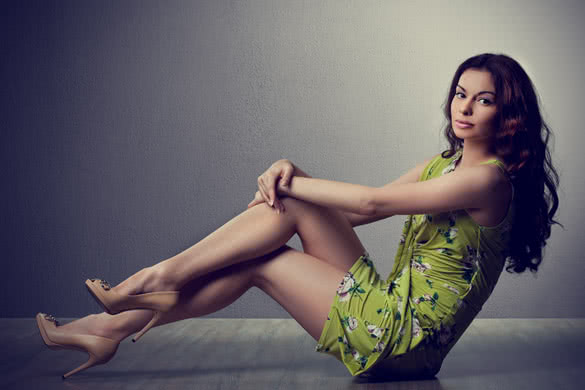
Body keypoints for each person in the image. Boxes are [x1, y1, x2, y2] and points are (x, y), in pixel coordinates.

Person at [36, 52, 561, 380]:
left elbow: (369, 204)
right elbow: (355, 215)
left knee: (267, 253)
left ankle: (145, 287)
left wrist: (291, 177)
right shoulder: (442, 165)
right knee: (283, 213)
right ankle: (110, 323)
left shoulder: (489, 179)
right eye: (460, 93)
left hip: (404, 341)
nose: (463, 107)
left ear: (508, 113)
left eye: (483, 100)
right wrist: (292, 187)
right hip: (387, 304)